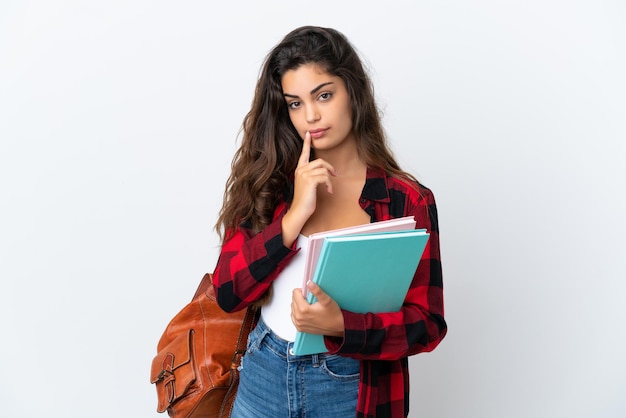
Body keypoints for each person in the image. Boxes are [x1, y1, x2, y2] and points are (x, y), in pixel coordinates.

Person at [213, 25, 446, 418]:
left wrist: (342, 323)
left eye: (324, 95)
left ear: (353, 91)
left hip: (352, 385)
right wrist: (292, 219)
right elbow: (228, 293)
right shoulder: (270, 183)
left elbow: (427, 323)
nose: (311, 116)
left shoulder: (406, 200)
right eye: (295, 103)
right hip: (263, 374)